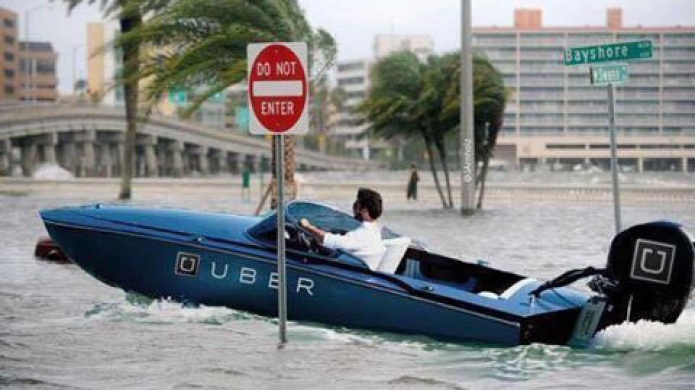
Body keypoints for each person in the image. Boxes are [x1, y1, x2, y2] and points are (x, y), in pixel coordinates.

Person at [301, 188, 386, 270]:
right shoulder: (376, 232)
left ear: (364, 211)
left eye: (356, 205)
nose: (354, 208)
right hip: (355, 271)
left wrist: (307, 227)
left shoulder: (362, 234)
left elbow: (324, 238)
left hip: (341, 272)